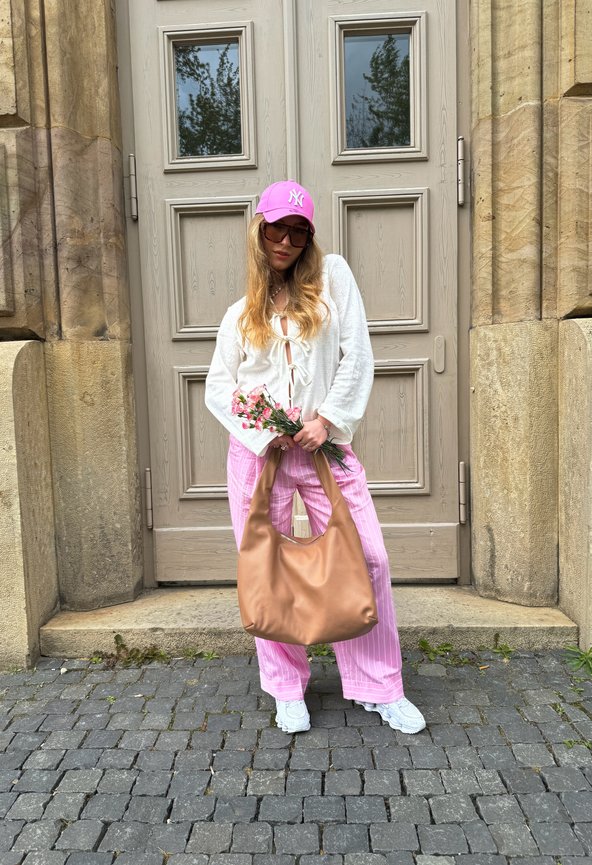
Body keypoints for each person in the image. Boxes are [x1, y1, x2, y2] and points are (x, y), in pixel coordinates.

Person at [205, 180, 426, 735]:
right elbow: (219, 388)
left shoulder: (334, 281)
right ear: (259, 230)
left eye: (298, 230)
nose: (287, 240)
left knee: (367, 557)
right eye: (277, 228)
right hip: (260, 457)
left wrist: (326, 419)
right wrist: (264, 431)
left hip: (327, 446)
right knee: (268, 568)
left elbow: (357, 354)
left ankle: (379, 687)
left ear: (310, 236)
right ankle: (286, 686)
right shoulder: (240, 314)